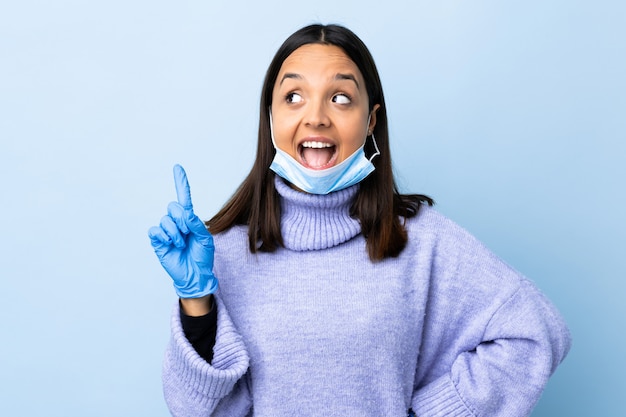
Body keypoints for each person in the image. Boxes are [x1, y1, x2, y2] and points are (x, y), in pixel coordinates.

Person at [148, 24, 571, 417]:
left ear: (370, 121)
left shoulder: (423, 242)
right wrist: (196, 301)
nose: (315, 116)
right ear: (271, 118)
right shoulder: (221, 252)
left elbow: (534, 332)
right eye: (293, 97)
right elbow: (195, 410)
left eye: (340, 97)